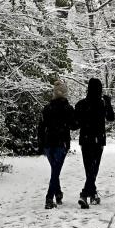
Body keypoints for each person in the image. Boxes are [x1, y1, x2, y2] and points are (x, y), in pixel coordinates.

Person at [73, 77, 115, 208]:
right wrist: (108, 103)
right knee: (93, 168)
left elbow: (75, 124)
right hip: (98, 139)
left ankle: (92, 194)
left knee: (89, 168)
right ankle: (85, 194)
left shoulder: (81, 104)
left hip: (85, 140)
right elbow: (111, 118)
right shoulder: (102, 104)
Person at [37, 79, 77, 209]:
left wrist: (41, 143)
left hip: (49, 143)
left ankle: (58, 193)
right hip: (62, 143)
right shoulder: (68, 109)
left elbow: (41, 127)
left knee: (55, 169)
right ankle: (49, 198)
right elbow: (73, 126)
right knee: (56, 171)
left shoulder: (47, 109)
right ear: (65, 93)